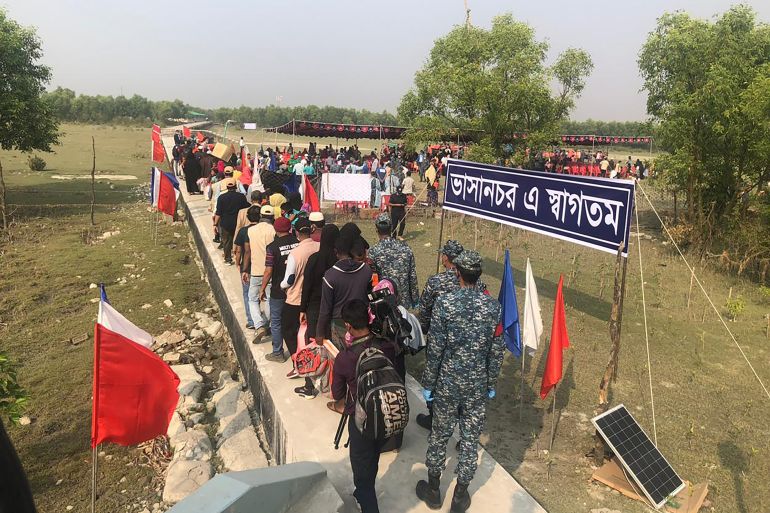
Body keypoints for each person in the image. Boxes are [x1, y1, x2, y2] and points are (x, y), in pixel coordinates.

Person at [415, 251, 503, 512]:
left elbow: (435, 348)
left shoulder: (445, 303)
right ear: (479, 275)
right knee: (469, 439)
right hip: (476, 386)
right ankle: (459, 496)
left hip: (447, 382)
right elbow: (497, 350)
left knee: (439, 435)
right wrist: (490, 383)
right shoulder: (493, 307)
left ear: (457, 273)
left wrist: (429, 384)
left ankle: (433, 491)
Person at [330, 299, 398, 513]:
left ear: (348, 326)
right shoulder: (387, 346)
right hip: (387, 413)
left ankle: (367, 500)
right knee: (373, 458)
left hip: (361, 421)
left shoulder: (344, 358)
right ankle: (364, 491)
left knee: (361, 470)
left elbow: (338, 394)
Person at [280, 218, 320, 394]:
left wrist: (280, 285)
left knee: (289, 332)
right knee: (307, 336)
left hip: (295, 299)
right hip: (312, 299)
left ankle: (298, 363)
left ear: (296, 233)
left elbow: (289, 280)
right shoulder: (318, 247)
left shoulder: (295, 254)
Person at [317, 224, 372, 349]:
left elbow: (325, 309)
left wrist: (319, 333)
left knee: (343, 356)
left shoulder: (330, 276)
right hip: (362, 321)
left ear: (336, 252)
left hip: (340, 324)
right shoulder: (366, 270)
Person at [259, 217, 298, 362]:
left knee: (276, 321)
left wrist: (262, 288)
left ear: (275, 229)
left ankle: (278, 352)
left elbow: (268, 270)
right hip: (296, 289)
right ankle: (298, 350)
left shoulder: (272, 247)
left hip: (278, 290)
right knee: (296, 321)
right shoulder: (298, 243)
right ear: (289, 228)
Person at [367, 213, 419, 309]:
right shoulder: (406, 248)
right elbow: (412, 275)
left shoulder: (373, 251)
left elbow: (373, 277)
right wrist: (415, 298)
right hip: (403, 300)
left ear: (376, 229)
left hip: (384, 298)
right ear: (391, 228)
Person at [300, 224, 340, 345]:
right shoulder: (338, 261)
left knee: (315, 344)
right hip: (334, 307)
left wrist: (303, 309)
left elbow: (307, 285)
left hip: (314, 306)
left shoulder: (314, 259)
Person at [243, 205, 276, 342]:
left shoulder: (251, 230)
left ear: (261, 216)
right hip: (271, 271)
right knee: (268, 299)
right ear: (273, 217)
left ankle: (258, 325)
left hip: (256, 271)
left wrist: (245, 269)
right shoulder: (274, 231)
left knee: (252, 299)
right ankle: (267, 324)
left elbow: (248, 251)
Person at [235, 205, 261, 329]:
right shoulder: (264, 230)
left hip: (248, 267)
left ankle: (252, 320)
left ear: (248, 217)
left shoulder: (243, 231)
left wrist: (237, 263)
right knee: (261, 294)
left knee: (247, 294)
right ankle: (260, 318)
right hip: (261, 266)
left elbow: (239, 250)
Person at [214, 178, 249, 265]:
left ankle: (228, 259)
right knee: (238, 241)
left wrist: (215, 224)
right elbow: (246, 207)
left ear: (227, 187)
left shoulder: (221, 197)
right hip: (238, 223)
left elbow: (218, 213)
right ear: (236, 186)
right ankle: (238, 257)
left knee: (226, 241)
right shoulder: (241, 197)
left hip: (225, 223)